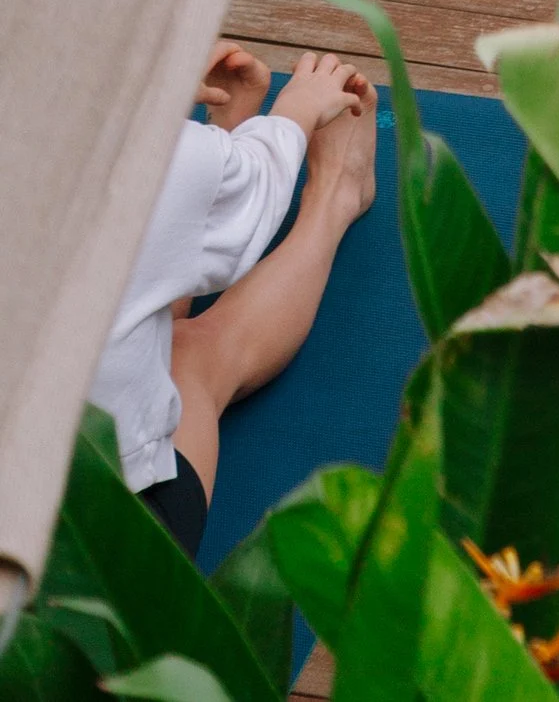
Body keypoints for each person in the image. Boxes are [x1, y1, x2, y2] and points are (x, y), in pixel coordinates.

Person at [91, 46, 376, 553]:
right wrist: (298, 111)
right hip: (85, 582)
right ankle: (338, 194)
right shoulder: (98, 152)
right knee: (189, 357)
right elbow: (257, 192)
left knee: (106, 298)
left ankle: (207, 189)